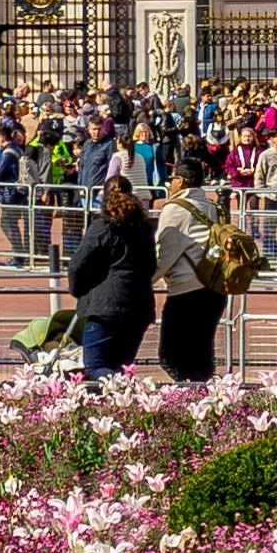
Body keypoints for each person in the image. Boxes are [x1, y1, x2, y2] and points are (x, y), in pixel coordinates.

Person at [150, 149, 231, 383]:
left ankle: (191, 400)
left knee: (171, 356)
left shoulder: (176, 209)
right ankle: (205, 400)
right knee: (201, 356)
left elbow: (163, 256)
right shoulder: (211, 206)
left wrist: (139, 283)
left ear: (180, 181)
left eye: (171, 179)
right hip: (215, 289)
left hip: (188, 291)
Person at [67, 177, 158, 381]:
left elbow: (77, 265)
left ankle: (122, 391)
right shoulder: (144, 228)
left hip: (104, 309)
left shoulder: (102, 226)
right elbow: (151, 266)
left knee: (95, 367)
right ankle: (122, 402)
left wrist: (78, 289)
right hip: (138, 308)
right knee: (122, 368)